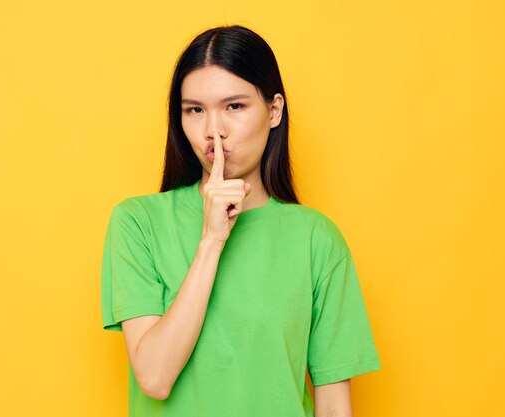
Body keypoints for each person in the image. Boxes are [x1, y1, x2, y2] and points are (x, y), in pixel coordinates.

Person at [101, 24, 381, 417]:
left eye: (234, 106)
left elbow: (334, 405)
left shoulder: (316, 239)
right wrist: (211, 241)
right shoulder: (138, 223)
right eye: (195, 110)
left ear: (273, 110)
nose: (214, 131)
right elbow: (154, 377)